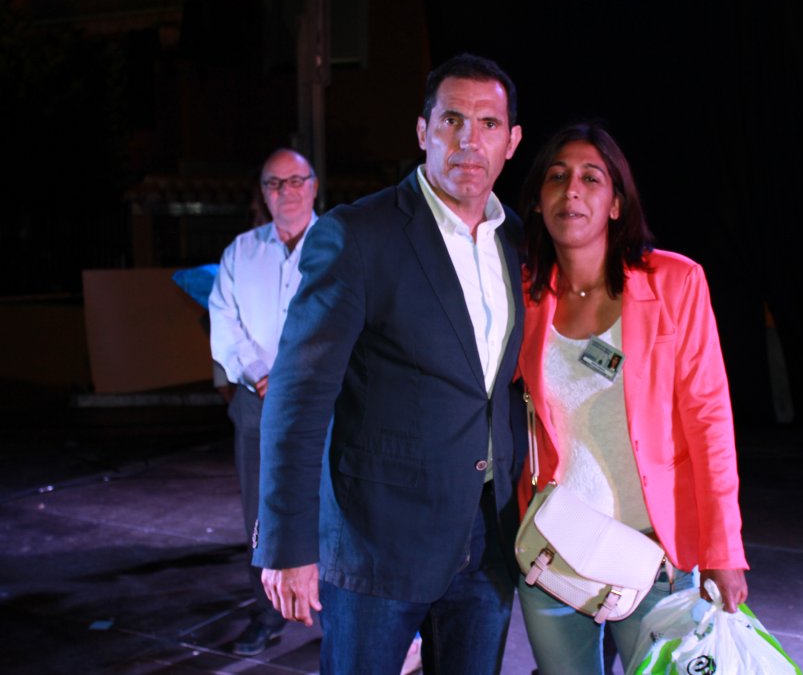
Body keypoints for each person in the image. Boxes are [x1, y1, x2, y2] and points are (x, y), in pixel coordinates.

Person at [253, 54, 525, 675]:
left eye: (488, 123)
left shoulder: (515, 242)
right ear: (423, 131)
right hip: (376, 543)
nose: (469, 139)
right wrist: (288, 544)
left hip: (486, 539)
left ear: (511, 142)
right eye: (452, 120)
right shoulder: (358, 234)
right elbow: (298, 396)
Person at [514, 123, 748, 674]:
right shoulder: (523, 293)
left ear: (616, 204)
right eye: (557, 177)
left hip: (653, 555)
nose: (572, 190)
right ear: (539, 201)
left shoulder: (675, 282)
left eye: (591, 178)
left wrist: (723, 550)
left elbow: (710, 421)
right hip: (554, 550)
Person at [208, 148, 319, 655]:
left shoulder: (338, 243)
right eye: (275, 183)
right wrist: (261, 375)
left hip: (323, 400)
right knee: (258, 512)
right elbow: (225, 320)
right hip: (258, 401)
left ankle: (338, 612)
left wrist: (299, 377)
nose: (286, 191)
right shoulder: (241, 251)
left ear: (313, 186)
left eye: (295, 181)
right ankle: (266, 612)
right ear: (263, 193)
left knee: (333, 507)